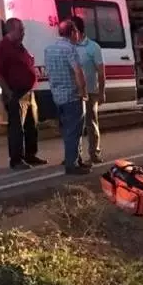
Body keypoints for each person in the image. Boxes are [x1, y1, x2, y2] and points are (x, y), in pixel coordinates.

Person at [0, 18, 47, 170]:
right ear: (10, 30)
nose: (23, 33)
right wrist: (8, 93)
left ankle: (30, 154)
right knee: (17, 127)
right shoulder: (1, 48)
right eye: (20, 30)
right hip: (15, 92)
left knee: (31, 124)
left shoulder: (19, 46)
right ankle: (16, 159)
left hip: (28, 91)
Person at [44, 20, 89, 175]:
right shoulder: (70, 48)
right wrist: (83, 91)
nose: (78, 35)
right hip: (72, 96)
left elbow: (48, 72)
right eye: (76, 32)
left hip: (57, 96)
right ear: (72, 33)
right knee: (74, 131)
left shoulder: (49, 49)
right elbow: (78, 71)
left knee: (67, 130)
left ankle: (76, 159)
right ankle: (72, 164)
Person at [71, 16, 105, 164]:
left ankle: (94, 153)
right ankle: (73, 155)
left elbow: (101, 72)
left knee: (91, 124)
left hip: (91, 91)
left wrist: (102, 92)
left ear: (78, 30)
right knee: (74, 125)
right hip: (74, 91)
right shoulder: (69, 47)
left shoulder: (93, 47)